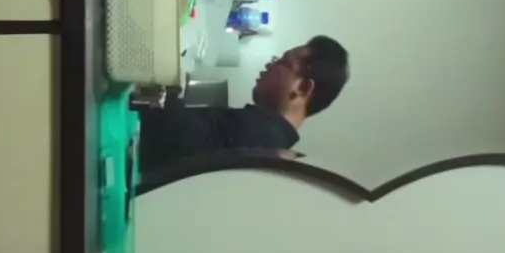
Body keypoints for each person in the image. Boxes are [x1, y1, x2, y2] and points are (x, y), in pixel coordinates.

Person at [136, 37, 350, 184]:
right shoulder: (269, 136)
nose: (270, 63)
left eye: (283, 61)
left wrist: (158, 73)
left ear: (301, 88)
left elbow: (171, 128)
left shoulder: (256, 134)